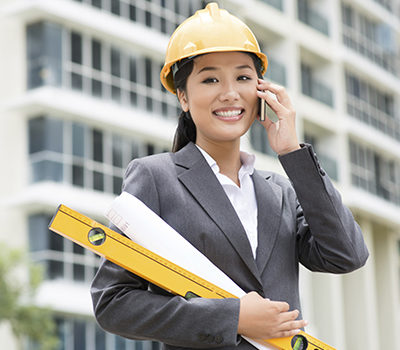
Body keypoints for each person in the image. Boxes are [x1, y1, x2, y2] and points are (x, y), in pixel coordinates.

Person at [91, 3, 369, 349]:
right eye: (210, 79)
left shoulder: (281, 190)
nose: (230, 93)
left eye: (243, 77)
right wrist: (232, 317)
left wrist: (292, 153)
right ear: (183, 96)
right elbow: (113, 302)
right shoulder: (155, 178)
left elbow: (347, 255)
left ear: (261, 91)